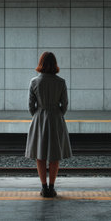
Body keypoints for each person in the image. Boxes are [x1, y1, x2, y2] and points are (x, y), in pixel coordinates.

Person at [25, 52, 72, 198]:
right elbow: (64, 104)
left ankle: (44, 188)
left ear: (41, 63)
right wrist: (57, 114)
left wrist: (38, 114)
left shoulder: (34, 82)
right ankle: (52, 187)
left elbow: (30, 106)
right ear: (55, 64)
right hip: (56, 119)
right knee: (54, 155)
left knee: (40, 155)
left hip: (39, 118)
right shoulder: (61, 82)